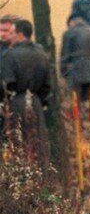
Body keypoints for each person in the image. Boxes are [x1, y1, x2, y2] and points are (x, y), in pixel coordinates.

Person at [0, 18, 52, 160]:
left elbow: (6, 85)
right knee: (38, 144)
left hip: (16, 103)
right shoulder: (42, 54)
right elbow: (47, 85)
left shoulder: (9, 56)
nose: (8, 36)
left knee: (18, 145)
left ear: (20, 34)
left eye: (11, 32)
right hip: (36, 103)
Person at [59, 14, 90, 101]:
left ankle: (80, 114)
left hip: (76, 71)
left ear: (71, 23)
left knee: (76, 100)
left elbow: (65, 55)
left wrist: (63, 72)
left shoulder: (68, 34)